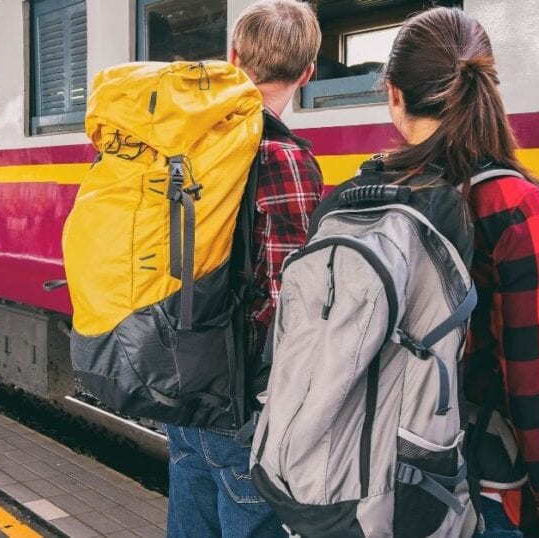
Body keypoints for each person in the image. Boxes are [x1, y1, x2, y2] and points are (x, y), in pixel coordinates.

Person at [380, 7, 539, 537]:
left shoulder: (374, 196)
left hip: (376, 481)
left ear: (393, 94)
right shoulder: (508, 203)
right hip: (477, 490)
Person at [163, 1, 323, 536]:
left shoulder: (184, 145)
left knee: (189, 505)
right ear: (308, 72)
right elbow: (286, 296)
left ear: (233, 57)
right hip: (242, 397)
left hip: (182, 375)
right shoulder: (285, 158)